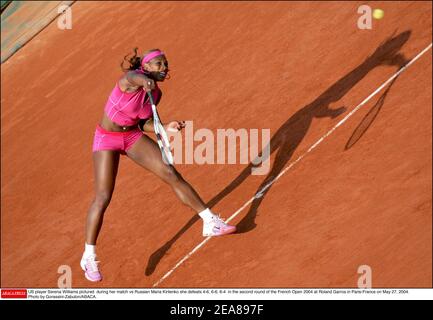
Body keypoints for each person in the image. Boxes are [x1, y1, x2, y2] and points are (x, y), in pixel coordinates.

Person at [80, 48, 236, 282]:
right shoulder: (129, 81)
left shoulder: (156, 94)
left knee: (170, 172)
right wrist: (145, 81)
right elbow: (134, 78)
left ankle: (209, 221)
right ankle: (88, 256)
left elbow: (144, 124)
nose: (164, 68)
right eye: (159, 64)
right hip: (107, 138)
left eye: (166, 63)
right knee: (103, 196)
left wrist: (167, 126)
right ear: (146, 68)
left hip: (132, 136)